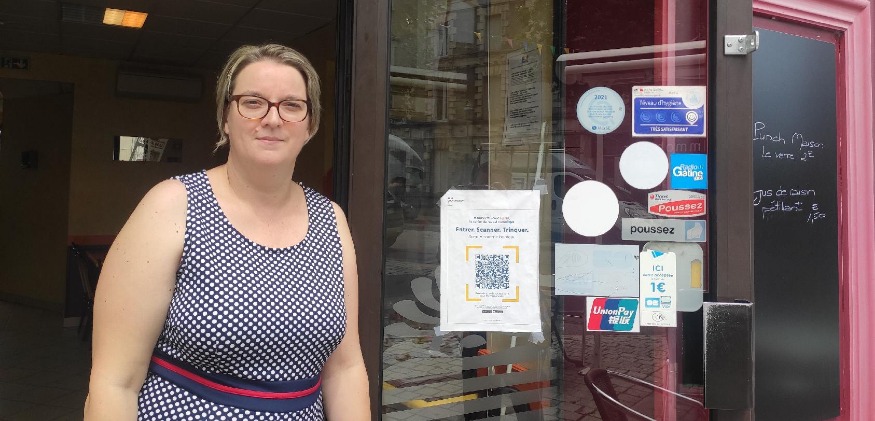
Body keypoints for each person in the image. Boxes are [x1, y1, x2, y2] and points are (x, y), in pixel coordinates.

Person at [84, 43, 370, 420]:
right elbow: (114, 382)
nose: (272, 118)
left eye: (291, 105)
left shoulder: (330, 219)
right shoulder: (172, 205)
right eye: (253, 102)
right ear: (225, 117)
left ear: (310, 124)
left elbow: (344, 369)